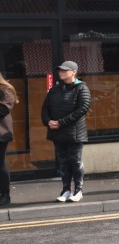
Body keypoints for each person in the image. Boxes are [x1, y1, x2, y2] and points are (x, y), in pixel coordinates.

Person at [40, 61, 91, 203]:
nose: (61, 72)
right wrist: (48, 121)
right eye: (60, 70)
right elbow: (45, 109)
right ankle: (66, 190)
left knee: (75, 161)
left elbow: (83, 108)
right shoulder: (54, 90)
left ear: (73, 72)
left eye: (64, 70)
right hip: (58, 133)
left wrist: (61, 122)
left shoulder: (81, 88)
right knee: (63, 162)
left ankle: (78, 190)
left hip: (75, 133)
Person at [0, 71, 17, 207]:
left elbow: (4, 109)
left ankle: (5, 195)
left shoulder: (6, 89)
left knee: (1, 164)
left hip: (1, 134)